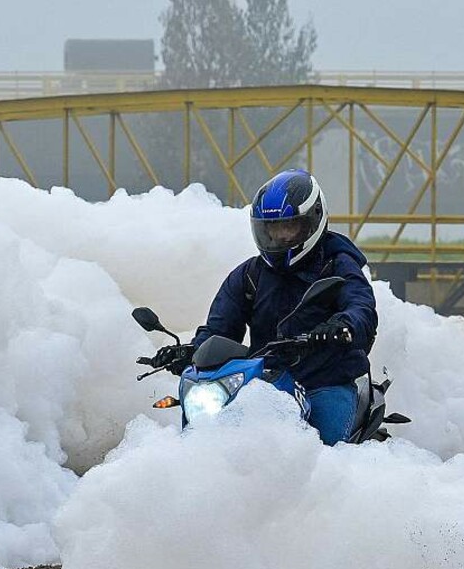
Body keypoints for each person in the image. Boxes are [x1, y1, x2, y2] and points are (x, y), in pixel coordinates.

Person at [153, 169, 378, 445]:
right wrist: (190, 351)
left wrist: (341, 327)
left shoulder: (338, 265)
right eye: (271, 228)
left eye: (288, 227)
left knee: (325, 451)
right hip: (265, 384)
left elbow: (361, 307)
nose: (279, 237)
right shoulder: (249, 276)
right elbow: (219, 329)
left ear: (312, 221)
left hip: (325, 381)